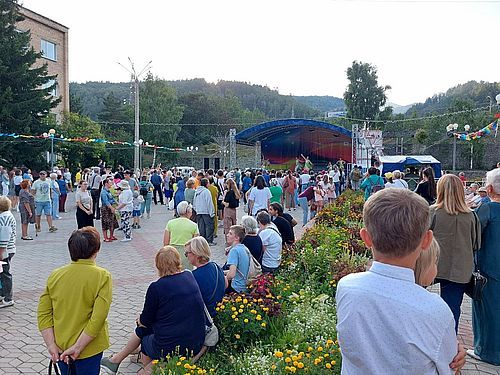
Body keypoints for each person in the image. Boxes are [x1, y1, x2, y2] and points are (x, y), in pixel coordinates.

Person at [336, 189, 465, 374]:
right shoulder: (436, 310)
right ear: (427, 240)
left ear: (366, 238)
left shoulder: (347, 286)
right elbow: (450, 369)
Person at [100, 246, 205, 374]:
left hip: (171, 346)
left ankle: (142, 367)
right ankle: (117, 360)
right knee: (147, 329)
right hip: (196, 340)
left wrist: (140, 319)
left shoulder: (156, 287)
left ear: (158, 265)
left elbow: (146, 320)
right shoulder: (189, 275)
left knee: (143, 332)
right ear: (178, 260)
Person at [38, 227, 112, 374]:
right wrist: (78, 347)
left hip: (61, 349)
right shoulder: (102, 276)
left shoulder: (55, 275)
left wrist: (51, 344)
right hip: (89, 348)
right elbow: (98, 318)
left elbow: (43, 313)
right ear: (96, 251)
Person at [431, 174, 480, 333]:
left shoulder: (433, 212)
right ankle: (449, 343)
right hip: (460, 268)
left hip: (433, 264)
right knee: (452, 308)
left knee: (417, 300)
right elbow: (476, 244)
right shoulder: (471, 215)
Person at [469, 168, 500, 365]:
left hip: (489, 267)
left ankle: (487, 351)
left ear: (488, 189)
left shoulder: (487, 209)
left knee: (487, 311)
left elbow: (471, 234)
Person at [185, 236, 226, 318]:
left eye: (187, 253)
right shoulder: (216, 266)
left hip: (205, 317)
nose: (186, 256)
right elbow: (225, 284)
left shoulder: (193, 277)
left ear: (196, 254)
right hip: (219, 311)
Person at [164, 201, 199, 270]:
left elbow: (165, 242)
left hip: (172, 253)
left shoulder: (170, 223)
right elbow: (196, 244)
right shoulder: (194, 225)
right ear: (188, 212)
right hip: (187, 254)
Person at [0, 196, 16, 308]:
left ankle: (8, 298)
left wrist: (1, 252)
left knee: (5, 273)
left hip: (4, 250)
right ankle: (3, 294)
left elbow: (4, 237)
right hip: (7, 249)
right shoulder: (6, 216)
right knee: (2, 272)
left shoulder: (4, 218)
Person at [224, 225, 251, 294]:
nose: (227, 235)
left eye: (230, 233)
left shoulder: (234, 251)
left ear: (237, 238)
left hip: (236, 287)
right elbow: (238, 270)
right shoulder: (244, 248)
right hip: (245, 285)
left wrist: (223, 278)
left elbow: (232, 274)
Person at [193, 178, 216, 246]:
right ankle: (209, 241)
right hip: (206, 211)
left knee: (201, 227)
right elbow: (209, 202)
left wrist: (196, 209)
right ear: (206, 184)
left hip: (199, 211)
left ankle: (202, 241)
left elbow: (194, 202)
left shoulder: (196, 191)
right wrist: (212, 212)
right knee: (209, 226)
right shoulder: (206, 191)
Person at [100, 178, 118, 242]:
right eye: (110, 183)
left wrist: (117, 204)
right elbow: (106, 201)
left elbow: (112, 199)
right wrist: (111, 208)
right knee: (105, 223)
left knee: (112, 222)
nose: (111, 184)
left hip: (111, 207)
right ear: (106, 184)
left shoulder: (109, 191)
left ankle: (111, 236)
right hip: (106, 209)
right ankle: (105, 237)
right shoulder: (103, 192)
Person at [223, 178, 240, 243]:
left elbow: (227, 204)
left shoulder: (229, 193)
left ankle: (228, 241)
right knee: (233, 225)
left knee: (227, 226)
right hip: (234, 210)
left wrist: (222, 201)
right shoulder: (236, 192)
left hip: (228, 210)